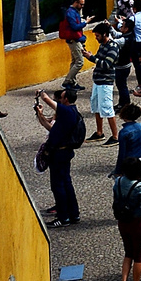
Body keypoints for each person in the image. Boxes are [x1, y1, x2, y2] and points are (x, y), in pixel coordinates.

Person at [35, 85, 82, 227]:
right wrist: (40, 114)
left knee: (58, 185)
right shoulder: (72, 112)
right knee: (66, 183)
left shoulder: (67, 111)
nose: (59, 100)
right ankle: (73, 214)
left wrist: (42, 93)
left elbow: (47, 99)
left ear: (66, 99)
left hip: (59, 154)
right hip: (65, 152)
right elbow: (51, 128)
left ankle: (63, 217)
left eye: (61, 98)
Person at [112, 155, 141, 281]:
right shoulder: (139, 186)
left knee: (128, 252)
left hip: (122, 220)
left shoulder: (118, 181)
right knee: (138, 255)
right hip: (137, 221)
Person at [89, 21, 122, 142]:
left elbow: (107, 64)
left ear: (104, 34)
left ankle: (115, 136)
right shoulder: (103, 45)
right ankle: (99, 132)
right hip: (98, 81)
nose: (96, 38)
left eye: (97, 35)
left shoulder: (113, 47)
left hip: (105, 82)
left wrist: (91, 58)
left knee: (107, 109)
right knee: (96, 106)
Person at [59, 0, 90, 89]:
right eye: (81, 4)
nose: (82, 6)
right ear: (76, 2)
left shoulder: (73, 12)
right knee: (80, 61)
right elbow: (75, 27)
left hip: (75, 39)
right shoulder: (70, 13)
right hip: (73, 40)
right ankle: (67, 81)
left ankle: (72, 82)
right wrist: (86, 22)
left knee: (74, 61)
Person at [112, 102, 141, 177]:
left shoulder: (124, 132)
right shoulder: (140, 127)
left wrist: (118, 170)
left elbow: (122, 152)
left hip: (130, 161)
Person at [114, 15, 137, 108]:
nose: (120, 27)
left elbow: (113, 41)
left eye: (122, 26)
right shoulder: (130, 35)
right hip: (126, 65)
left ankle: (125, 104)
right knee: (122, 85)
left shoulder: (124, 39)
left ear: (126, 28)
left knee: (122, 86)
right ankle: (122, 103)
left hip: (122, 66)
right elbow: (116, 34)